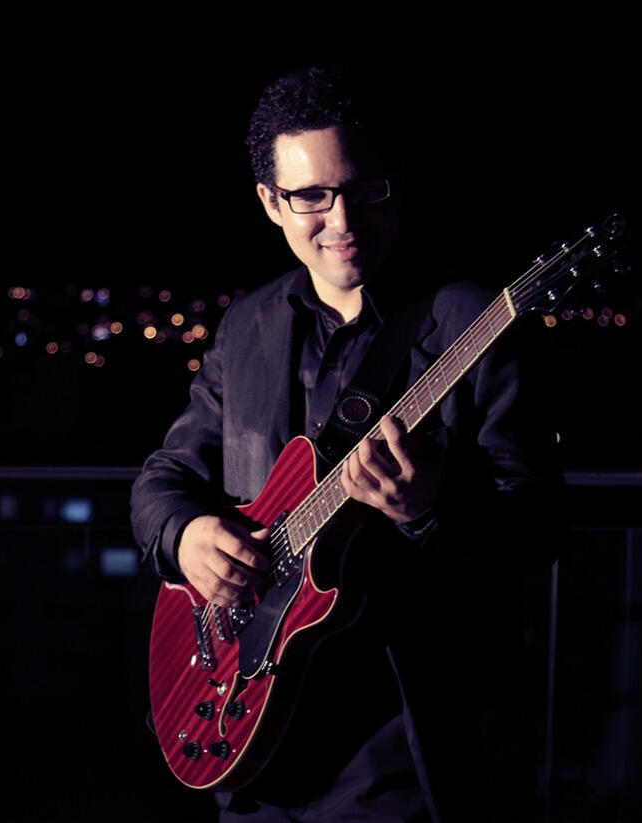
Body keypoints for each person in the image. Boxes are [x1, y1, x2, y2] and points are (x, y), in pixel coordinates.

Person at [131, 65, 562, 822]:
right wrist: (187, 532)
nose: (343, 220)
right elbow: (165, 476)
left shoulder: (470, 321)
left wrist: (429, 507)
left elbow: (539, 523)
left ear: (394, 181)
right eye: (312, 197)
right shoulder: (250, 326)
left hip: (399, 746)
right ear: (270, 201)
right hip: (256, 738)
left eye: (363, 190)